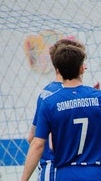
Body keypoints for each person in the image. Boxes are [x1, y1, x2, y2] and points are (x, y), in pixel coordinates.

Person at [21, 44, 101, 180]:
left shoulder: (49, 102)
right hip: (95, 173)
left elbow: (37, 144)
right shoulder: (99, 97)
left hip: (65, 173)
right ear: (81, 69)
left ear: (58, 70)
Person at [27, 38, 86, 181]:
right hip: (63, 169)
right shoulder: (67, 95)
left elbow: (31, 137)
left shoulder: (46, 93)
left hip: (51, 168)